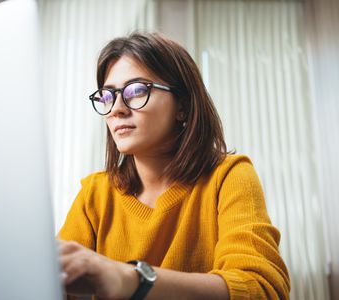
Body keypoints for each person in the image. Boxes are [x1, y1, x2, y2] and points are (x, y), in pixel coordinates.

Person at [58, 32, 290, 299]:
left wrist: (133, 279)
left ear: (182, 105)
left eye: (136, 91)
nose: (116, 109)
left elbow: (261, 288)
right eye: (107, 96)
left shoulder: (229, 176)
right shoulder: (94, 194)